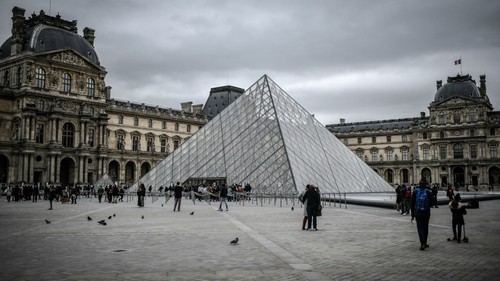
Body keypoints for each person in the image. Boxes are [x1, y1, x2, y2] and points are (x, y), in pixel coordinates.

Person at [411, 179, 433, 250]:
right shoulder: (429, 192)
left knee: (420, 228)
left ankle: (422, 243)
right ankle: (425, 242)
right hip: (426, 212)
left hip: (418, 212)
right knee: (425, 227)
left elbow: (412, 204)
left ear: (419, 184)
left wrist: (412, 214)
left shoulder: (415, 191)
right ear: (425, 184)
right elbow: (432, 203)